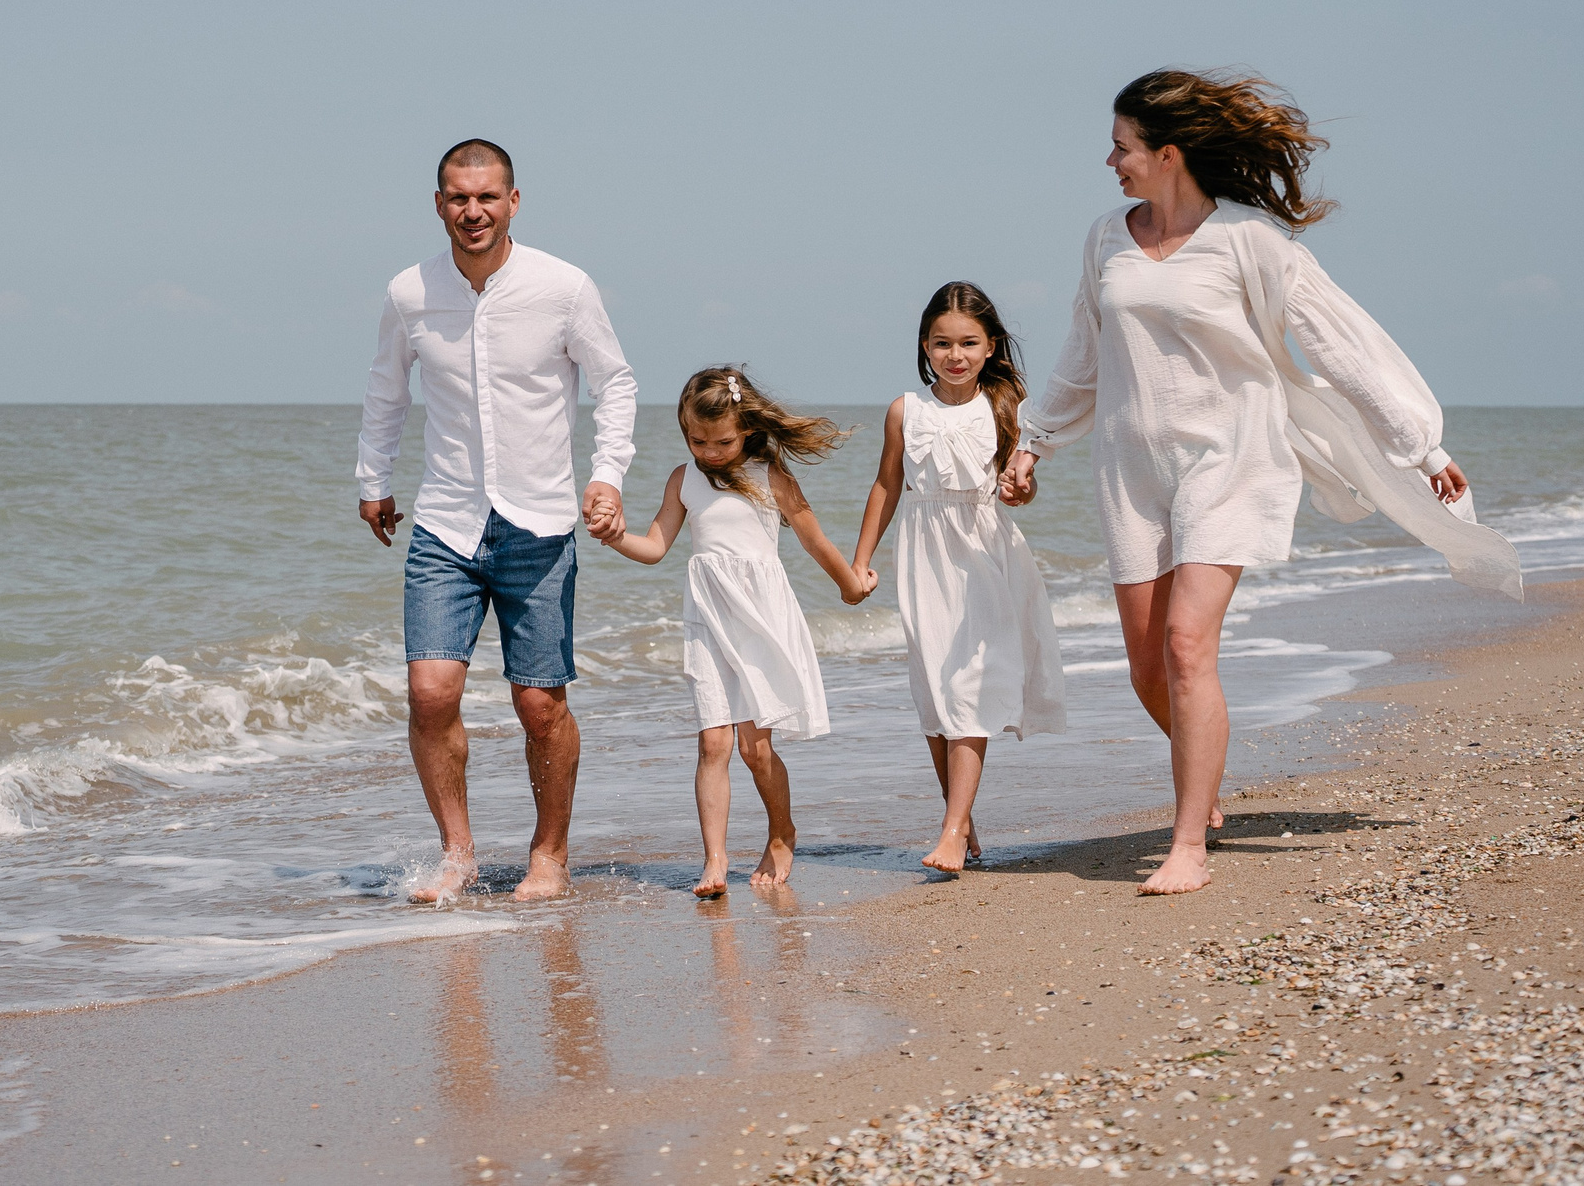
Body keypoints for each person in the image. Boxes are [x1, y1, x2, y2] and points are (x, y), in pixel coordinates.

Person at [1000, 70, 1519, 896]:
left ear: (1168, 154)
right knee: (1146, 667)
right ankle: (1204, 783)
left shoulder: (1248, 239)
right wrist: (1031, 442)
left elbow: (1337, 340)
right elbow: (1083, 349)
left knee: (1185, 646)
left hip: (1230, 458)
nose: (1110, 160)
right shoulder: (1106, 236)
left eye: (1123, 146)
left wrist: (1419, 447)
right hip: (1130, 467)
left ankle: (1188, 843)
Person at [357, 139, 638, 905]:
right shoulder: (410, 292)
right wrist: (372, 480)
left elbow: (616, 384)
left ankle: (549, 855)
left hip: (539, 522)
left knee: (540, 702)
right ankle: (459, 853)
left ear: (514, 201)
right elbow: (387, 391)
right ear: (438, 203)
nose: (472, 210)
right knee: (430, 691)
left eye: (487, 196)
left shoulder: (563, 287)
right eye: (457, 196)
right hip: (445, 521)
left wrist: (607, 475)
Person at [601, 367, 864, 898]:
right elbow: (654, 548)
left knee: (756, 749)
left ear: (746, 427)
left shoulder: (773, 480)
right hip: (708, 621)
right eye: (697, 440)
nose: (710, 451)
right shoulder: (684, 479)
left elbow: (815, 542)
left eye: (722, 441)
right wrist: (614, 537)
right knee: (713, 742)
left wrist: (851, 585)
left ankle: (782, 832)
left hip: (761, 619)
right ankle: (715, 861)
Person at [850, 282, 1068, 876]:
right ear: (925, 345)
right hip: (924, 559)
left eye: (969, 343)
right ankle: (961, 812)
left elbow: (1022, 484)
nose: (956, 355)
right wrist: (860, 559)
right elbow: (887, 485)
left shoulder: (1008, 407)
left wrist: (1021, 487)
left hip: (986, 558)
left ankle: (950, 831)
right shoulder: (906, 410)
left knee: (970, 686)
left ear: (991, 346)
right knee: (936, 691)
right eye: (942, 343)